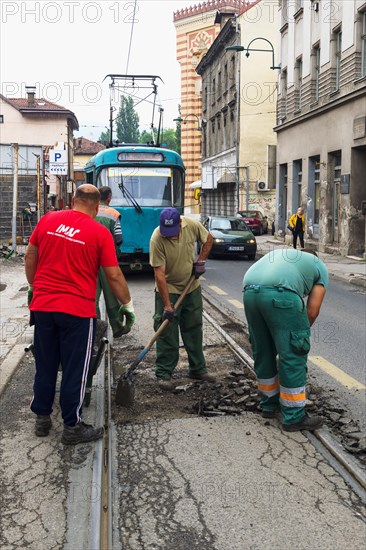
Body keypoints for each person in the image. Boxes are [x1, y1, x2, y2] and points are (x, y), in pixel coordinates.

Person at [25, 184, 135, 445]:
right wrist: (127, 304)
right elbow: (113, 274)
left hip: (43, 307)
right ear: (97, 207)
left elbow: (30, 256)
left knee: (46, 364)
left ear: (73, 201)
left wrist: (33, 287)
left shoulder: (48, 220)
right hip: (77, 311)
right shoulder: (99, 232)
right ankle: (72, 427)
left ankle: (42, 417)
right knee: (76, 369)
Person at [243, 248, 328, 432]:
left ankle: (269, 405)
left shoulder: (283, 256)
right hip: (281, 294)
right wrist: (298, 335)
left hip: (249, 291)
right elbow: (312, 311)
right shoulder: (319, 266)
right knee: (292, 355)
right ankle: (294, 417)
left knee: (263, 351)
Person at [149, 207, 214, 390]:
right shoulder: (157, 238)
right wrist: (168, 305)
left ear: (180, 223)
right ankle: (164, 373)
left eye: (172, 231)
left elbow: (208, 239)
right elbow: (159, 275)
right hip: (168, 288)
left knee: (193, 328)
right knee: (167, 331)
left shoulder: (192, 225)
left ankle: (197, 369)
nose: (169, 235)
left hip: (191, 287)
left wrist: (201, 261)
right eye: (166, 232)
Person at [95, 186, 125, 338]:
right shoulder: (113, 214)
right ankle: (118, 327)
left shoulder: (90, 211)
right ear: (109, 198)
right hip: (108, 261)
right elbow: (119, 239)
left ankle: (94, 327)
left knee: (92, 295)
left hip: (90, 260)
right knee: (112, 294)